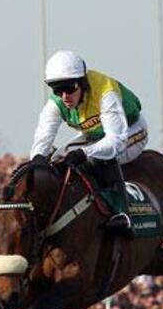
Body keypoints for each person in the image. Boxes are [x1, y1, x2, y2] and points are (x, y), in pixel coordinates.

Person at [29, 50, 149, 237]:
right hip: (95, 135)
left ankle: (122, 213)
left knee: (101, 157)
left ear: (83, 82)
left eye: (70, 88)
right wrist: (37, 158)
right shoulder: (56, 102)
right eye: (57, 90)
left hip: (131, 131)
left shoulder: (105, 92)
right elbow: (43, 135)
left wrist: (85, 153)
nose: (64, 96)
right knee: (57, 157)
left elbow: (116, 141)